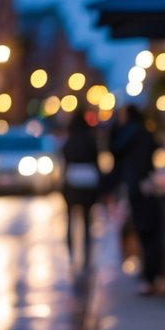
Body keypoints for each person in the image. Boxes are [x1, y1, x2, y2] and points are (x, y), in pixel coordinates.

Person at [108, 104, 165, 294]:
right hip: (146, 185)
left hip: (138, 187)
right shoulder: (144, 131)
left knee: (145, 230)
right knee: (148, 231)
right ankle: (151, 274)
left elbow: (114, 147)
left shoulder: (131, 132)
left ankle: (150, 276)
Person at [61, 110, 102, 272]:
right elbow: (96, 161)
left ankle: (71, 255)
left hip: (72, 182)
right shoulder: (90, 140)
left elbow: (65, 160)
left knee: (70, 219)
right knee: (86, 220)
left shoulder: (69, 140)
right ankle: (86, 256)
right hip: (88, 183)